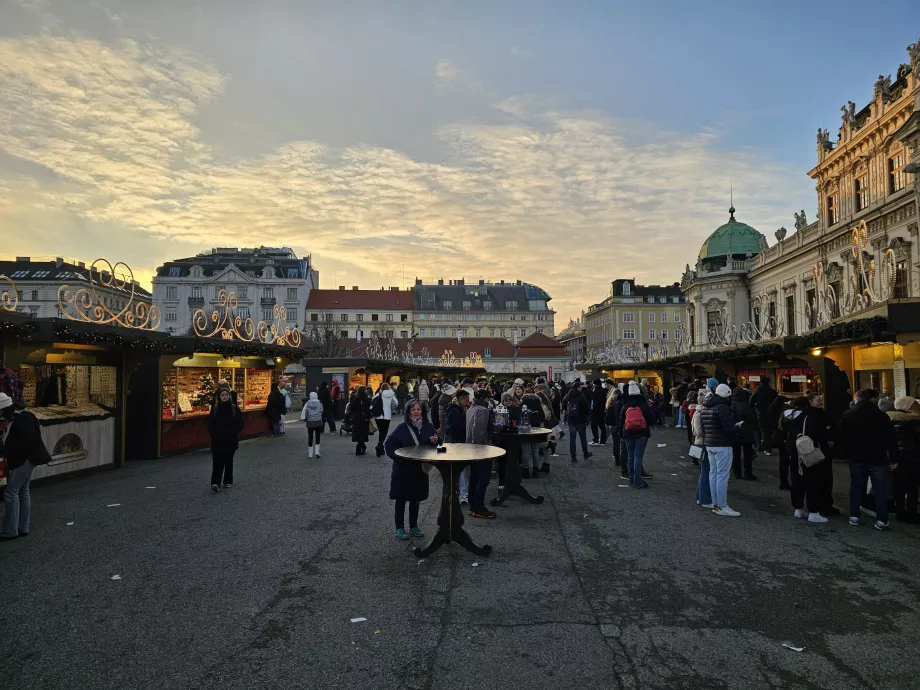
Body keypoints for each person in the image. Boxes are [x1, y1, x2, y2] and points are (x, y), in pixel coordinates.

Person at [840, 389, 899, 529]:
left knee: (856, 486)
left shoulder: (848, 415)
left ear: (857, 399)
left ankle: (854, 516)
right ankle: (882, 519)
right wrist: (894, 457)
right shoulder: (882, 416)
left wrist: (845, 452)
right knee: (880, 488)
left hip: (857, 456)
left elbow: (842, 436)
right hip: (877, 456)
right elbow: (890, 438)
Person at [0, 394, 51, 540]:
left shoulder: (22, 419)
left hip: (24, 459)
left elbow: (23, 442)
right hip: (29, 458)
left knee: (11, 492)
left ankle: (10, 530)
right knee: (23, 491)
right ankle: (22, 527)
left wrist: (5, 450)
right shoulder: (23, 417)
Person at [385, 401, 437, 540]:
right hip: (403, 470)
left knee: (416, 499)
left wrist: (436, 441)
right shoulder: (402, 428)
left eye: (418, 409)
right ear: (408, 412)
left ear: (422, 411)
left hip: (419, 470)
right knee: (401, 499)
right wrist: (398, 458)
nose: (416, 412)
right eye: (413, 409)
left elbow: (439, 445)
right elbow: (389, 444)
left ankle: (413, 526)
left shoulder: (429, 427)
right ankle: (400, 528)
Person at [782, 396, 831, 523]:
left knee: (796, 481)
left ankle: (798, 509)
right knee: (813, 482)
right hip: (807, 452)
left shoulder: (787, 416)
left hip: (793, 452)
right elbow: (820, 434)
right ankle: (813, 512)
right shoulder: (809, 417)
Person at [699, 383, 740, 516]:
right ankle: (722, 506)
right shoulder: (722, 408)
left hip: (709, 443)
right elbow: (728, 428)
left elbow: (704, 428)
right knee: (722, 476)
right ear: (726, 396)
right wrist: (737, 427)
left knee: (713, 474)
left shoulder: (705, 407)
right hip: (722, 444)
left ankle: (715, 504)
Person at [887, 396, 920, 523]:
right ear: (907, 406)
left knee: (899, 486)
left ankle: (900, 511)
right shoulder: (913, 421)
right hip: (912, 457)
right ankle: (911, 513)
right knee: (912, 486)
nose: (918, 405)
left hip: (898, 457)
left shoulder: (892, 419)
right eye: (914, 404)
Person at [618, 381, 656, 488]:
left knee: (630, 456)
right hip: (642, 433)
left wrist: (621, 434)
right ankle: (637, 481)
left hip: (628, 433)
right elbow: (652, 419)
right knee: (638, 457)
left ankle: (631, 479)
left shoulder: (625, 405)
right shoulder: (643, 404)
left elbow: (621, 421)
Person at [466, 389, 497, 519]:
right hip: (481, 449)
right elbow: (477, 430)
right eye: (487, 398)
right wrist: (478, 448)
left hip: (470, 448)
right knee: (482, 479)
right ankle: (479, 507)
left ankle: (472, 506)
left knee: (473, 478)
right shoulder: (483, 410)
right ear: (484, 398)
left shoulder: (471, 408)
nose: (488, 400)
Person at [208, 387, 244, 492]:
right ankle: (215, 483)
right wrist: (213, 434)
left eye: (226, 395)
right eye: (222, 395)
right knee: (217, 462)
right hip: (217, 439)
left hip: (230, 439)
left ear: (229, 396)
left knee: (228, 461)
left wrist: (234, 433)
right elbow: (210, 423)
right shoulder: (214, 409)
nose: (224, 397)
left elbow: (240, 423)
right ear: (219, 396)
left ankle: (228, 481)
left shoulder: (234, 408)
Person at [730, 386, 759, 480]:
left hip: (734, 432)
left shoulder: (731, 404)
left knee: (736, 454)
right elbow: (753, 419)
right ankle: (748, 473)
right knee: (747, 454)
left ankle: (737, 473)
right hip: (746, 432)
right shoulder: (745, 405)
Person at [692, 389, 713, 508]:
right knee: (706, 471)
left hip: (698, 443)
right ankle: (704, 499)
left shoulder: (697, 412)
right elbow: (699, 431)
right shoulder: (700, 413)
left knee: (703, 471)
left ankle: (700, 496)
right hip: (702, 443)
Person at [520, 387, 546, 478]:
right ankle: (536, 470)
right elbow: (543, 417)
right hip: (536, 429)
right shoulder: (537, 406)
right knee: (535, 450)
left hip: (525, 429)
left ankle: (526, 470)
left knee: (525, 450)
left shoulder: (523, 406)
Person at [750, 376, 779, 456]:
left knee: (763, 431)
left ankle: (764, 447)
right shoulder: (772, 392)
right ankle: (768, 447)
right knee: (769, 431)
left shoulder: (757, 391)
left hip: (760, 413)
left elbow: (750, 402)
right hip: (771, 413)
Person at [564, 381, 592, 462]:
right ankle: (585, 454)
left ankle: (573, 457)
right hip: (580, 420)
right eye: (580, 387)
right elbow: (587, 408)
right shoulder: (581, 396)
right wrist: (586, 417)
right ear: (578, 387)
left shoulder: (568, 396)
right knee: (583, 438)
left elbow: (564, 406)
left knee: (572, 439)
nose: (581, 388)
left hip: (571, 420)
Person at [769, 394, 792, 489]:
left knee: (783, 461)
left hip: (779, 437)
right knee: (786, 461)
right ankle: (785, 482)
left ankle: (783, 481)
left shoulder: (772, 408)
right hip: (785, 438)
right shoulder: (785, 413)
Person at [372, 383, 399, 457]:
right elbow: (396, 403)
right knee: (384, 432)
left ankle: (381, 448)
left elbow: (372, 402)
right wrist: (390, 409)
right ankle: (379, 445)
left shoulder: (378, 394)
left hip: (378, 416)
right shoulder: (391, 394)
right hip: (387, 416)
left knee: (381, 431)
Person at [301, 391, 325, 457]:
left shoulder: (307, 404)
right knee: (318, 436)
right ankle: (317, 451)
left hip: (310, 422)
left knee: (310, 437)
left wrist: (306, 418)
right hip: (318, 422)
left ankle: (310, 453)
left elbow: (306, 413)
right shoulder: (320, 404)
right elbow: (321, 411)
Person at [605, 385, 623, 472]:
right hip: (621, 425)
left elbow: (607, 417)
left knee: (615, 442)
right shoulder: (622, 403)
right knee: (623, 443)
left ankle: (617, 459)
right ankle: (624, 459)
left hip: (613, 425)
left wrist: (608, 424)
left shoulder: (610, 403)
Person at [350, 387, 372, 456]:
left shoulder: (355, 398)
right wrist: (370, 416)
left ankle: (362, 447)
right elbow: (367, 410)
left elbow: (351, 408)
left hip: (356, 418)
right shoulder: (366, 399)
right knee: (362, 433)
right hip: (363, 419)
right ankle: (359, 449)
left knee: (358, 433)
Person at [590, 379, 607, 445]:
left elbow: (594, 402)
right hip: (602, 411)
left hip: (596, 411)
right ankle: (603, 440)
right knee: (602, 426)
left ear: (595, 384)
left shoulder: (595, 391)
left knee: (593, 425)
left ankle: (596, 439)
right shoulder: (604, 390)